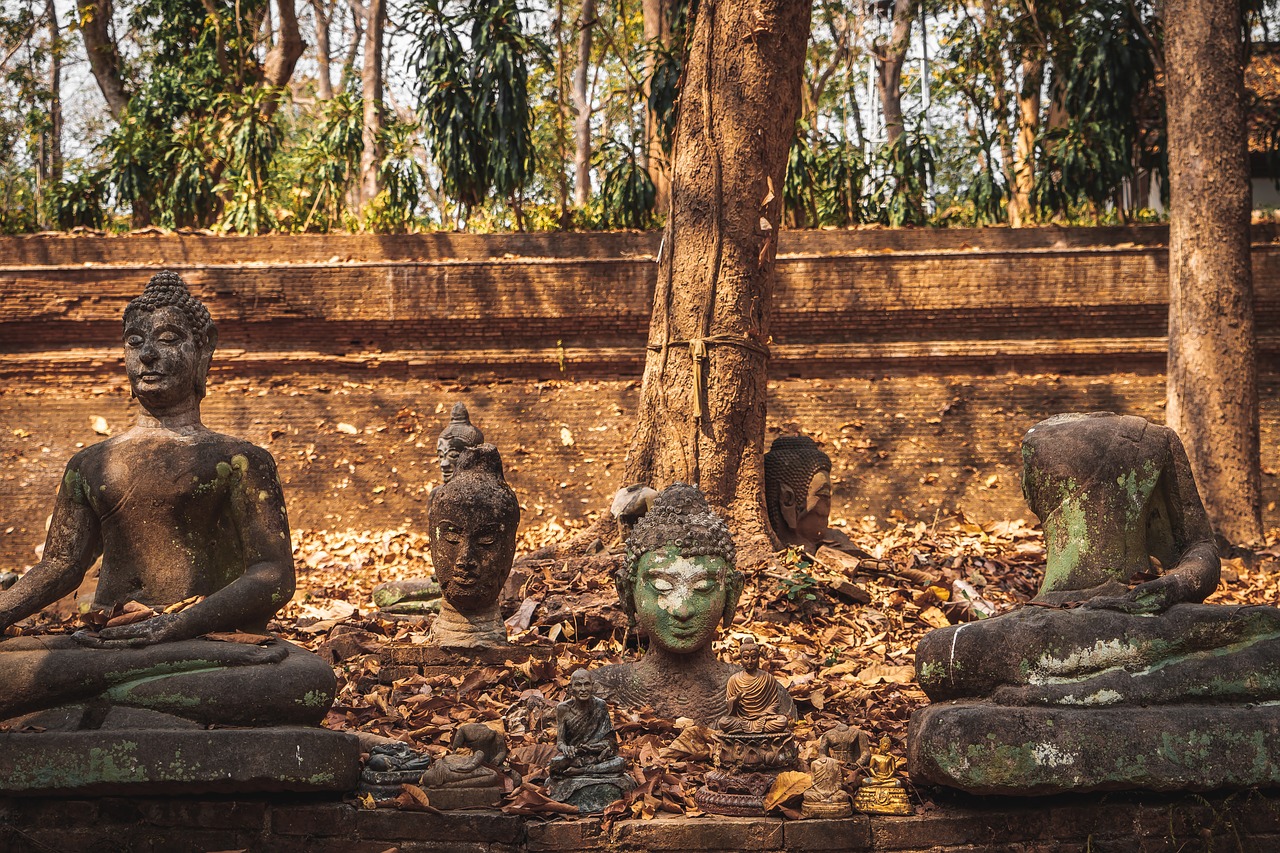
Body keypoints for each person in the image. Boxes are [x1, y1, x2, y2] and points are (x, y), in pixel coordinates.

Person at [0, 271, 334, 728]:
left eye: (167, 338)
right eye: (135, 341)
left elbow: (273, 575)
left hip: (201, 643)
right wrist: (4, 610)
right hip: (106, 643)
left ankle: (93, 705)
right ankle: (135, 701)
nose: (148, 355)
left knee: (305, 680)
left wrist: (176, 624)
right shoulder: (90, 462)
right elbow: (61, 564)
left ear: (204, 350)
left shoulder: (239, 459)